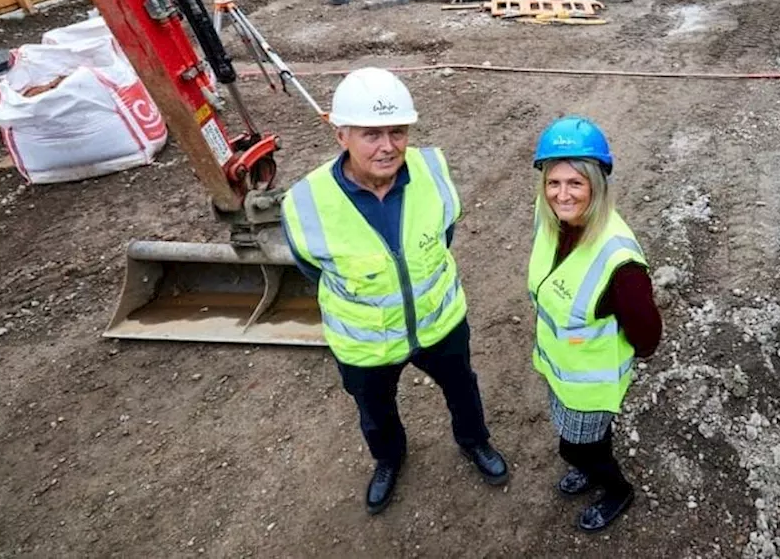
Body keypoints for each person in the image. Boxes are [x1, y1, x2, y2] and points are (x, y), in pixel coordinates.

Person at [281, 67, 508, 516]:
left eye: (398, 131)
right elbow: (313, 269)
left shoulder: (432, 170)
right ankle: (389, 460)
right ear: (341, 135)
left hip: (439, 323)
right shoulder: (305, 203)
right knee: (375, 412)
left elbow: (444, 234)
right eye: (371, 134)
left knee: (462, 388)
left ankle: (474, 441)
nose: (388, 146)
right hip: (366, 344)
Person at [528, 116, 663, 532]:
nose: (562, 195)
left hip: (591, 384)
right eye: (554, 183)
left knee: (577, 448)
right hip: (560, 369)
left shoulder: (619, 261)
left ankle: (617, 490)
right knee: (583, 442)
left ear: (596, 184)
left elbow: (648, 337)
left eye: (575, 184)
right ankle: (592, 467)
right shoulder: (552, 217)